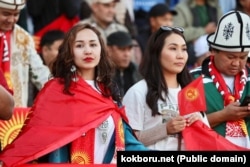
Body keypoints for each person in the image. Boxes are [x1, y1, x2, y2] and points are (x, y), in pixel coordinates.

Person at [0, 23, 148, 166]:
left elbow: (129, 145)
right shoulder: (56, 91)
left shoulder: (110, 93)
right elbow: (39, 141)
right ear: (69, 52)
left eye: (93, 44)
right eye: (79, 45)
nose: (88, 51)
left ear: (102, 50)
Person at [122, 26, 209, 151]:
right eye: (173, 48)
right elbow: (126, 141)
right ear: (156, 53)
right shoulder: (138, 92)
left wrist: (199, 125)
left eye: (184, 49)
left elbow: (206, 140)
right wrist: (165, 129)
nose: (180, 55)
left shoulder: (191, 91)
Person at [190, 10, 250, 148]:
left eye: (243, 57)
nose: (236, 63)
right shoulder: (193, 80)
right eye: (230, 57)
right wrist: (223, 115)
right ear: (213, 50)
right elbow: (184, 127)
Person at [0, 0, 50, 107]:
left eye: (16, 14)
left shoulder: (24, 38)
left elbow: (40, 73)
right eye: (6, 14)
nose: (11, 19)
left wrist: (61, 91)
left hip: (15, 117)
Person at [173, 0, 222, 68]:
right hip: (191, 48)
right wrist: (204, 30)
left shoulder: (215, 5)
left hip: (215, 42)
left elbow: (223, 27)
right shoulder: (181, 8)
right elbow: (177, 32)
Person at [107, 31, 141, 97]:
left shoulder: (139, 72)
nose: (127, 54)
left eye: (129, 49)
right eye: (122, 49)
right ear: (109, 50)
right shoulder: (101, 74)